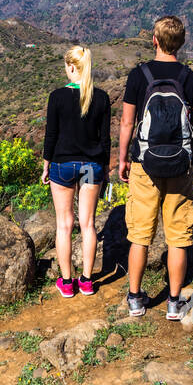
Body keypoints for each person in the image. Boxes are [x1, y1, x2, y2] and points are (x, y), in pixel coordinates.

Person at [117, 16, 193, 318]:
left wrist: (123, 159)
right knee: (178, 236)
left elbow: (127, 122)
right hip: (180, 166)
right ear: (180, 43)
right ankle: (174, 301)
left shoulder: (138, 76)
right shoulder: (191, 79)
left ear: (154, 40)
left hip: (144, 164)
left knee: (140, 234)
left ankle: (135, 298)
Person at [41, 46, 111, 298]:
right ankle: (87, 281)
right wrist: (106, 169)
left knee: (64, 225)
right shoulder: (101, 98)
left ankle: (67, 282)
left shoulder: (57, 97)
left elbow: (51, 136)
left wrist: (46, 165)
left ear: (71, 67)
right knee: (88, 224)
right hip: (92, 167)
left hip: (62, 165)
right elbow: (105, 140)